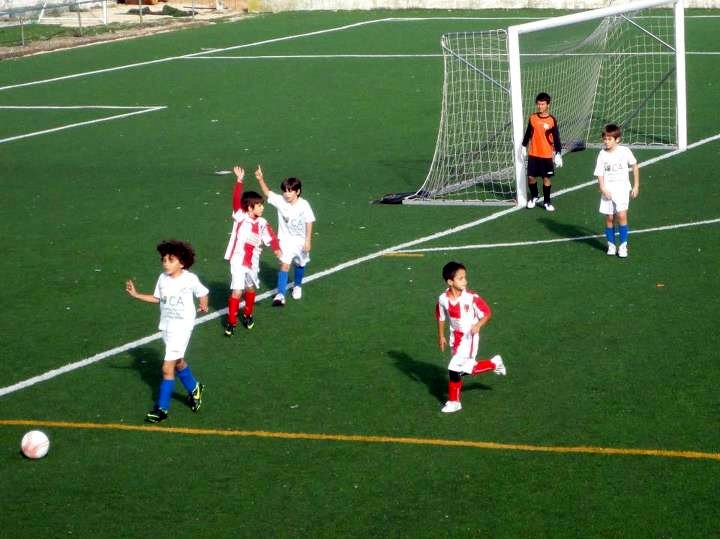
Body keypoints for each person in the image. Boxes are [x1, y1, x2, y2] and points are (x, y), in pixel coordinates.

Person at [125, 240, 209, 423]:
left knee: (167, 368)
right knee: (178, 362)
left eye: (171, 260)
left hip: (182, 327)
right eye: (164, 260)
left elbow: (202, 292)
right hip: (167, 327)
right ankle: (195, 388)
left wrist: (204, 304)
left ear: (182, 263)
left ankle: (161, 409)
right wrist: (137, 295)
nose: (166, 263)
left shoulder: (189, 279)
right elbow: (158, 298)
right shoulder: (162, 279)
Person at [436, 261, 506, 414]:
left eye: (465, 277)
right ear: (450, 282)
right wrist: (441, 336)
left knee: (453, 369)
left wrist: (478, 325)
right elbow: (440, 317)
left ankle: (454, 402)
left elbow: (487, 313)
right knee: (465, 368)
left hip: (469, 337)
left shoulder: (471, 298)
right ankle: (494, 363)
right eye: (460, 278)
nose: (465, 281)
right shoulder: (443, 299)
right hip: (455, 338)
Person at [224, 165, 282, 335]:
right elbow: (236, 200)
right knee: (237, 291)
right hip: (237, 259)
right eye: (258, 205)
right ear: (249, 208)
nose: (262, 208)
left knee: (250, 289)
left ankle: (248, 314)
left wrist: (278, 251)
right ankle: (231, 322)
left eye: (262, 205)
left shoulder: (262, 223)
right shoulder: (241, 217)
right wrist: (239, 181)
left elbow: (271, 238)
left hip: (253, 262)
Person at [254, 165, 316, 306]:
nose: (286, 194)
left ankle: (297, 286)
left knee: (300, 263)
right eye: (285, 191)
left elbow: (309, 221)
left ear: (297, 192)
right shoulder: (280, 201)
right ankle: (280, 294)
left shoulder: (304, 205)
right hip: (285, 240)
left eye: (290, 191)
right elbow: (267, 193)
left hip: (300, 241)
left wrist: (308, 241)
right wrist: (260, 179)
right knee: (284, 265)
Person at [594, 123, 640, 258]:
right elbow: (599, 173)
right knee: (609, 218)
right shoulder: (602, 154)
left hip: (622, 189)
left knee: (622, 216)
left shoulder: (625, 151)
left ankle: (623, 245)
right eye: (605, 139)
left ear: (617, 139)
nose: (606, 141)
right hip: (608, 190)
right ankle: (611, 245)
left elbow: (634, 166)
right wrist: (602, 188)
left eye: (609, 139)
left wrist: (636, 186)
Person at [521, 92, 563, 211]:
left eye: (543, 104)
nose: (540, 106)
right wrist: (523, 146)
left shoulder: (551, 120)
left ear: (548, 105)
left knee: (546, 179)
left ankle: (547, 202)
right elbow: (528, 133)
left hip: (546, 155)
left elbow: (556, 138)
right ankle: (534, 196)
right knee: (531, 177)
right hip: (533, 154)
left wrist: (558, 153)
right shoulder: (533, 118)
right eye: (538, 104)